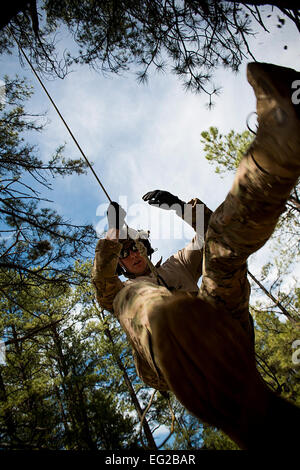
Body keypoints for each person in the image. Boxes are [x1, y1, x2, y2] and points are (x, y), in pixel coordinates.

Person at [92, 62, 300, 449]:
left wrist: (178, 207)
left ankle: (280, 149)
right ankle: (171, 321)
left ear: (146, 248)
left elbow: (208, 236)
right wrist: (111, 237)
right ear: (120, 262)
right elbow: (104, 285)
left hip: (223, 325)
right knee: (133, 297)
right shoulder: (119, 291)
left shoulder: (175, 264)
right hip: (165, 361)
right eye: (124, 252)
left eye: (134, 244)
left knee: (219, 251)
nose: (131, 252)